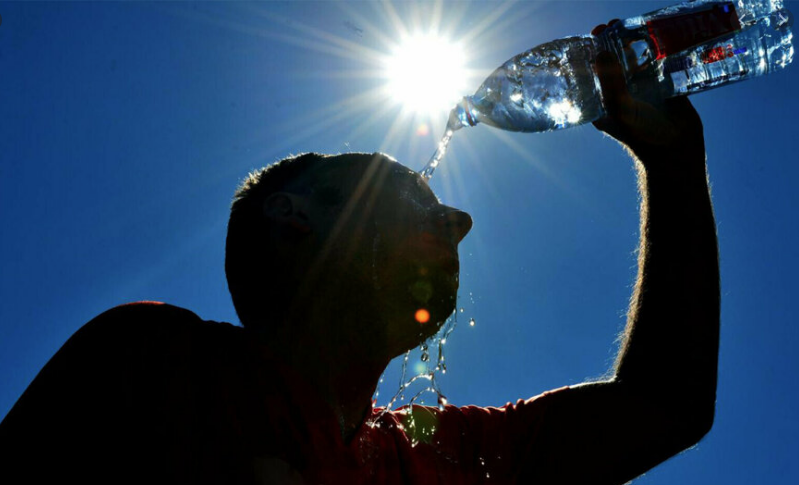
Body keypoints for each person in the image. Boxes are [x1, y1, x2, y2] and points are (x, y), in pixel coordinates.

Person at [0, 22, 719, 485]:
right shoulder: (155, 365)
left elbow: (662, 405)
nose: (458, 221)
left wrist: (674, 166)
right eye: (409, 192)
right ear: (294, 218)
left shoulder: (440, 451)